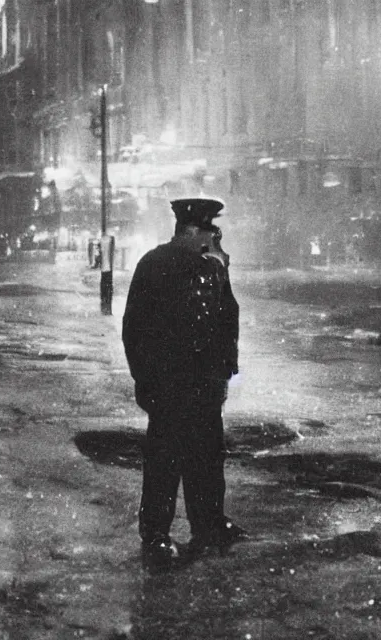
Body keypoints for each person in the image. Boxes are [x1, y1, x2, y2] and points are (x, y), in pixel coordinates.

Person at [122, 197, 245, 561]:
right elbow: (135, 329)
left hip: (205, 382)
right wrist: (145, 380)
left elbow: (227, 318)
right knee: (165, 460)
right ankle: (156, 533)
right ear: (191, 230)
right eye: (209, 232)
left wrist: (225, 370)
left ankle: (209, 523)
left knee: (208, 457)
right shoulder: (156, 264)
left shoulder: (211, 266)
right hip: (169, 383)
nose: (213, 238)